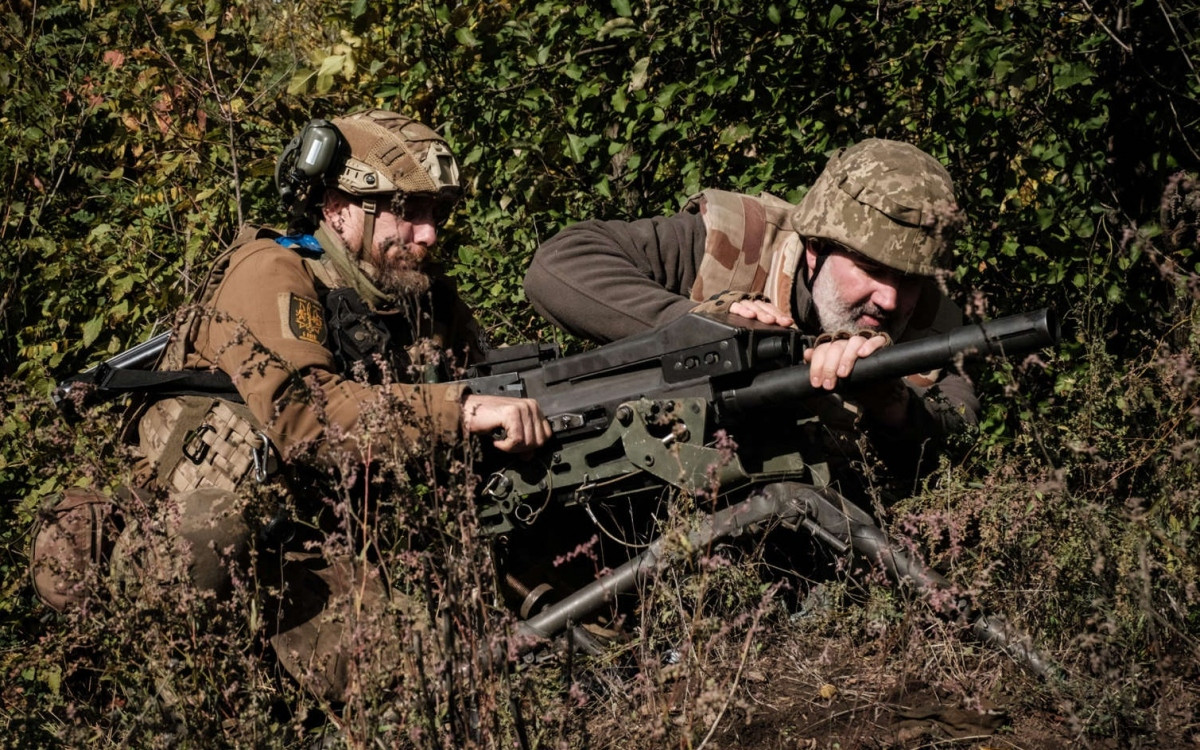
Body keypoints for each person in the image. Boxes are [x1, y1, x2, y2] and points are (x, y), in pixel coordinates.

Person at [31, 108, 551, 701]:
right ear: (338, 209)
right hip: (244, 544)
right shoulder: (271, 272)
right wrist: (461, 410)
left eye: (437, 213)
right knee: (422, 681)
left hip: (354, 533)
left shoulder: (419, 299)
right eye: (408, 211)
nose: (429, 234)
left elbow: (481, 390)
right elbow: (309, 419)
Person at [523, 138, 980, 485]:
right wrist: (702, 332)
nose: (891, 300)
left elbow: (960, 448)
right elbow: (558, 267)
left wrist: (891, 402)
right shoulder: (737, 245)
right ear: (815, 248)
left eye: (911, 279)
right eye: (872, 269)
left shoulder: (937, 329)